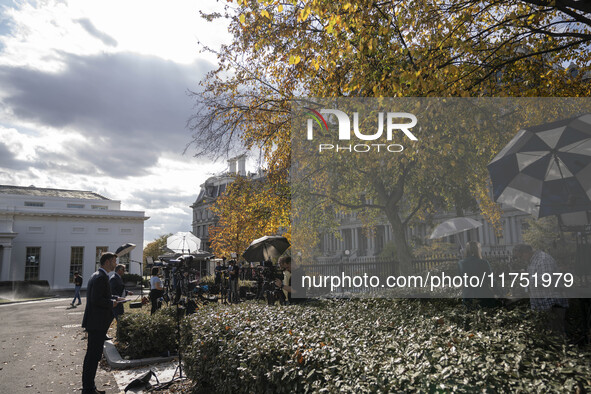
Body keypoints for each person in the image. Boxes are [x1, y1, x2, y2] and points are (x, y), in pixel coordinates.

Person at [81, 252, 121, 394]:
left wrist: (116, 298)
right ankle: (88, 389)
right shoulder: (100, 277)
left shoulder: (98, 275)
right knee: (92, 357)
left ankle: (89, 387)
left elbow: (103, 296)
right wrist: (112, 303)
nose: (115, 264)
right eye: (114, 261)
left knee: (93, 356)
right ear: (107, 261)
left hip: (96, 322)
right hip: (96, 323)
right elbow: (96, 299)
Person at [512, 244, 568, 338]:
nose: (521, 259)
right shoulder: (532, 261)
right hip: (541, 303)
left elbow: (545, 280)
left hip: (551, 302)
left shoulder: (543, 259)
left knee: (556, 333)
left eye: (521, 256)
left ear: (526, 252)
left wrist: (527, 277)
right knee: (546, 334)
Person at [457, 241, 497, 310]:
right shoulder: (483, 263)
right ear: (478, 250)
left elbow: (460, 278)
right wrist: (498, 292)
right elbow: (490, 280)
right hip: (483, 294)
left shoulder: (461, 263)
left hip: (468, 295)